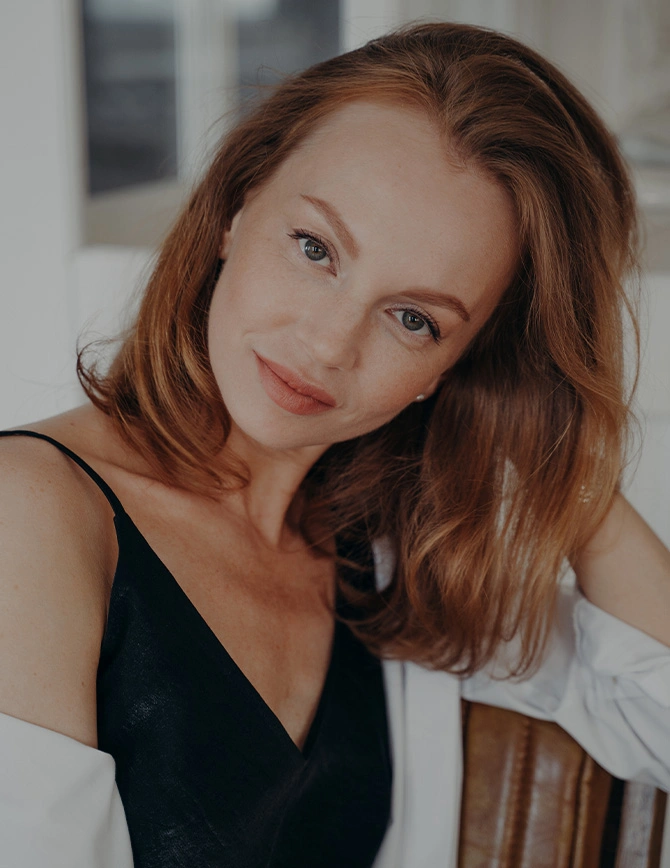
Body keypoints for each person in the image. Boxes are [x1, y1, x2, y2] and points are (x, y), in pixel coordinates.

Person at [1, 20, 669, 868]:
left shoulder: (394, 566)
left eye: (415, 319)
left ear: (456, 366)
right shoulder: (31, 515)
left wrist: (554, 444)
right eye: (315, 248)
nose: (327, 344)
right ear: (235, 211)